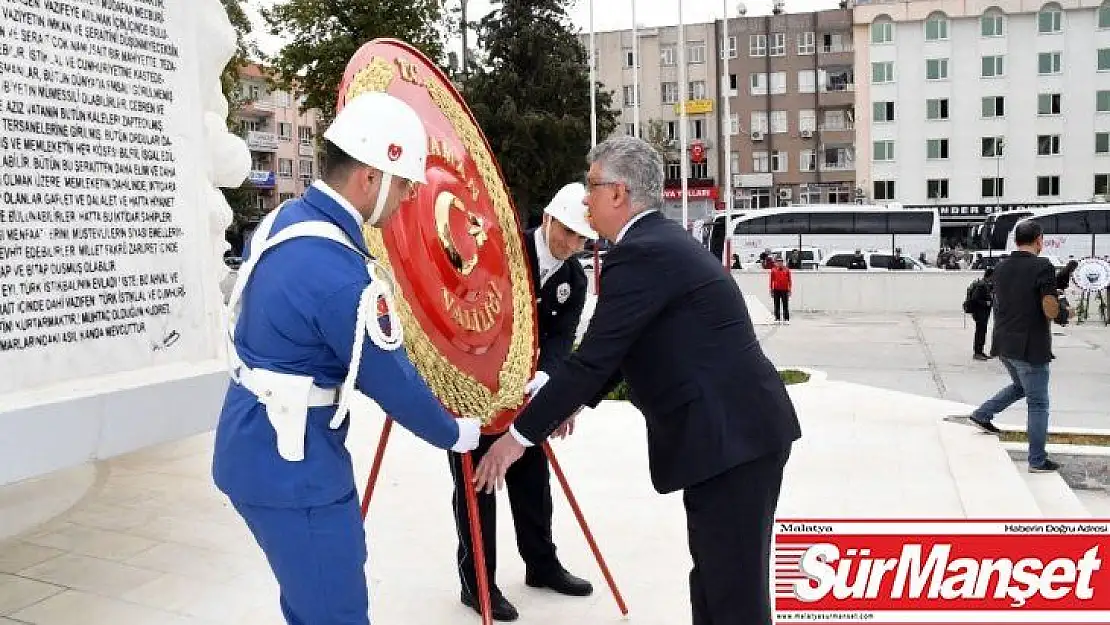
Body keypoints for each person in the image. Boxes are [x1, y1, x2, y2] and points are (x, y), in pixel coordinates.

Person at [472, 136, 802, 625]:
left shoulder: (643, 252)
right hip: (728, 440)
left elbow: (595, 360)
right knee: (714, 580)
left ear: (619, 194)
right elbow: (622, 356)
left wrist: (517, 438)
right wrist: (565, 405)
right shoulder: (656, 244)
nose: (585, 199)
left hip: (733, 440)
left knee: (734, 595)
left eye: (592, 186)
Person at [212, 91, 482, 625]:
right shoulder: (338, 272)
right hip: (296, 468)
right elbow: (392, 379)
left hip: (254, 442)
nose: (407, 198)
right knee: (336, 609)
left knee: (308, 599)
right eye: (403, 184)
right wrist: (455, 431)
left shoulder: (286, 221)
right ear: (369, 178)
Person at [448, 183, 595, 621]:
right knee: (479, 486)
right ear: (548, 218)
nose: (572, 245)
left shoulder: (574, 277)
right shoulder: (501, 250)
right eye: (567, 232)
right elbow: (467, 308)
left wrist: (548, 381)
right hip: (478, 388)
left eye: (582, 238)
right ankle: (477, 583)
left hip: (527, 393)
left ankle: (541, 564)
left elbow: (561, 336)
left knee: (533, 479)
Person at [966, 220, 1071, 473]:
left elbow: (1020, 296)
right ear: (1039, 240)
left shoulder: (1001, 267)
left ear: (1015, 241)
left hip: (1003, 344)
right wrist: (1064, 312)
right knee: (1038, 403)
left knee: (1020, 386)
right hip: (1030, 347)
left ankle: (982, 414)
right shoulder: (1043, 265)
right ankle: (1037, 460)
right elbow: (1048, 305)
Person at [963, 267, 995, 360]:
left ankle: (980, 351)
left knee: (982, 332)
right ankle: (977, 353)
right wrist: (986, 303)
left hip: (984, 313)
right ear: (990, 276)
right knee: (980, 333)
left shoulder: (986, 284)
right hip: (980, 313)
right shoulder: (981, 285)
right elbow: (975, 299)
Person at [769, 257, 792, 324]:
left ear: (782, 262)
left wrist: (789, 290)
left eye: (781, 261)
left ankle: (786, 319)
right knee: (776, 304)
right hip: (776, 289)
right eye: (778, 261)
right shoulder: (773, 270)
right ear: (776, 263)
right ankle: (777, 318)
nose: (779, 263)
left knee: (785, 304)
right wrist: (771, 290)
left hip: (785, 290)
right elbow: (771, 280)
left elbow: (789, 280)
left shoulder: (787, 270)